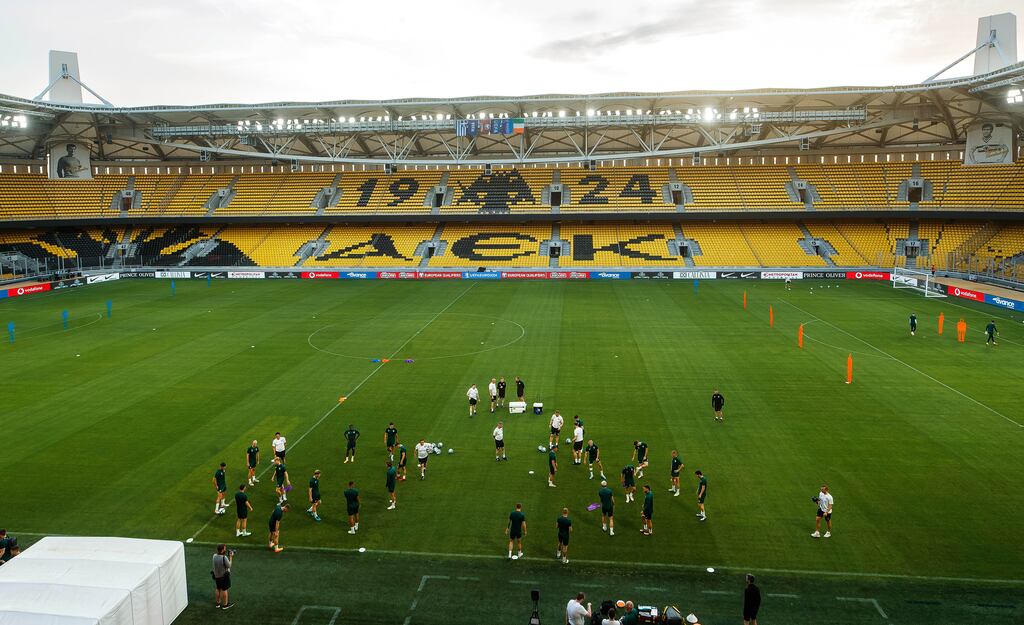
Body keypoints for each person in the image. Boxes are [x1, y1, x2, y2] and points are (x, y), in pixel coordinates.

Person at [212, 544, 234, 610]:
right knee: (224, 589)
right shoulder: (224, 558)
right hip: (224, 576)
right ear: (222, 550)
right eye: (224, 548)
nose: (225, 549)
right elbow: (229, 565)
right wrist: (230, 557)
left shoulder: (214, 556)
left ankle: (218, 603)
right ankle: (225, 605)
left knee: (218, 588)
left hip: (216, 576)